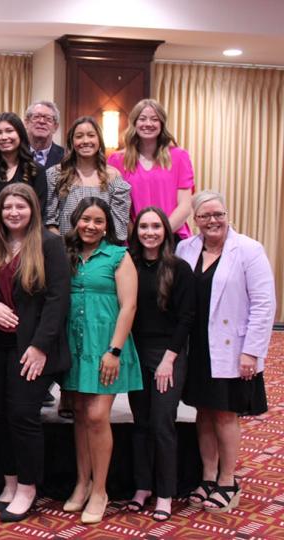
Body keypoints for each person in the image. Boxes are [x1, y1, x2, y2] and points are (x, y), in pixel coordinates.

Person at [176, 191, 275, 513]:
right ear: (195, 220)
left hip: (232, 348)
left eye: (218, 214)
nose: (213, 221)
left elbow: (264, 305)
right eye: (205, 216)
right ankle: (207, 476)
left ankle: (228, 480)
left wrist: (252, 352)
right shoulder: (185, 248)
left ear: (227, 214)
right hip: (197, 347)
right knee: (202, 412)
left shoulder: (248, 249)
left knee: (225, 413)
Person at [0, 182, 70, 522]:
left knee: (23, 416)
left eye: (20, 206)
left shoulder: (50, 244)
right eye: (7, 207)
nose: (13, 213)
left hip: (31, 348)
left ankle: (29, 487)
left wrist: (39, 346)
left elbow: (58, 299)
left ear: (32, 209)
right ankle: (10, 480)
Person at [60, 197, 141, 524]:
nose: (90, 226)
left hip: (106, 346)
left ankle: (100, 490)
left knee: (96, 415)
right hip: (75, 344)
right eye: (85, 220)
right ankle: (82, 483)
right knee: (79, 413)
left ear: (107, 225)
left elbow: (129, 306)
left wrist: (115, 351)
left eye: (98, 221)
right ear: (76, 221)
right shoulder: (67, 256)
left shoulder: (119, 256)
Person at [125, 207, 195, 522]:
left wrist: (169, 358)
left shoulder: (179, 268)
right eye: (144, 227)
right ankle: (142, 487)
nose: (150, 232)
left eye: (156, 226)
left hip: (168, 353)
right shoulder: (129, 265)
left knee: (162, 422)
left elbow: (186, 318)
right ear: (136, 231)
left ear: (166, 230)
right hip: (135, 352)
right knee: (139, 423)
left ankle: (165, 493)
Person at [108, 99, 195, 240]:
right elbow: (116, 207)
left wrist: (160, 234)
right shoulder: (116, 160)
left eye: (154, 119)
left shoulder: (180, 157)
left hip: (172, 237)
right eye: (142, 119)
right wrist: (138, 237)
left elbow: (185, 206)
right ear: (134, 123)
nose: (148, 124)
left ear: (162, 124)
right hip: (134, 240)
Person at [46, 117, 131, 242]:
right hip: (65, 251)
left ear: (99, 140)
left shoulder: (113, 176)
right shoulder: (56, 174)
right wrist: (63, 249)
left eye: (91, 135)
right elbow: (49, 222)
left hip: (103, 253)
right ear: (71, 141)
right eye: (79, 136)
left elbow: (119, 227)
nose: (85, 141)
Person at [24, 100, 64, 168]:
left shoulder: (65, 157)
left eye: (48, 119)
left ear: (55, 127)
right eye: (36, 117)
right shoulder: (16, 153)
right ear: (26, 123)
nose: (41, 121)